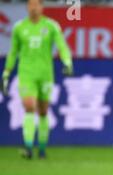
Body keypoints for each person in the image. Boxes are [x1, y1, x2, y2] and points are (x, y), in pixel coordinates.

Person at [1, 0, 73, 159]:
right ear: (27, 7)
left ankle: (41, 148)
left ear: (42, 7)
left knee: (43, 111)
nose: (33, 8)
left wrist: (67, 62)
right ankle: (28, 147)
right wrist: (6, 72)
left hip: (45, 74)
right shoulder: (19, 27)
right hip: (26, 74)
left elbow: (62, 45)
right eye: (30, 5)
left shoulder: (51, 25)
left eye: (36, 4)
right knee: (29, 106)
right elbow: (13, 52)